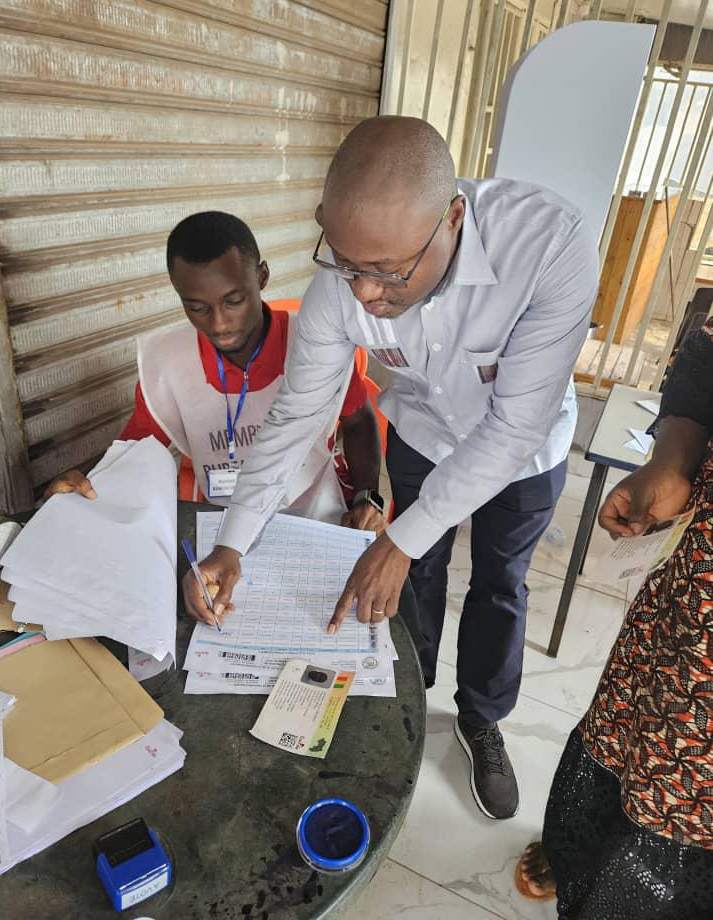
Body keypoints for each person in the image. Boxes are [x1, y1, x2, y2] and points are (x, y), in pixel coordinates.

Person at [181, 117, 598, 819]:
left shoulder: (550, 245)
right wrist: (233, 542)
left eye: (389, 272)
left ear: (453, 219)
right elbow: (297, 417)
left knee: (499, 582)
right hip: (423, 435)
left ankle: (481, 719)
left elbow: (514, 425)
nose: (366, 294)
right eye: (348, 265)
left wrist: (400, 540)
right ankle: (407, 692)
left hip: (524, 456)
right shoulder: (340, 286)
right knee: (415, 579)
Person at [44, 211, 386, 627]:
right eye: (197, 307)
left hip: (314, 513)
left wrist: (366, 496)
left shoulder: (313, 343)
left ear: (261, 277)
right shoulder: (169, 362)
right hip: (220, 525)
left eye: (234, 301)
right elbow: (137, 450)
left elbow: (359, 420)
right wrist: (88, 485)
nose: (219, 324)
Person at [515, 317, 713, 918]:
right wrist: (673, 461)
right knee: (636, 720)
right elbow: (703, 365)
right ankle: (586, 854)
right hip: (696, 599)